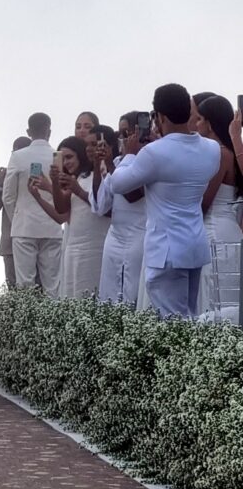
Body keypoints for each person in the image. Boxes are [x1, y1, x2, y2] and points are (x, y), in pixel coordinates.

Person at [101, 83, 220, 318]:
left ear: (160, 117)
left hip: (166, 251)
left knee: (171, 324)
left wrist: (129, 155)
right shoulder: (212, 149)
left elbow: (117, 184)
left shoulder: (154, 152)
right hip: (195, 245)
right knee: (190, 317)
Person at [31, 136, 110, 298]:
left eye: (69, 157)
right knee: (72, 295)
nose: (66, 162)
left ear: (80, 155)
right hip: (73, 247)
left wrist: (77, 190)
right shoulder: (74, 179)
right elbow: (62, 211)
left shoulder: (94, 176)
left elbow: (102, 206)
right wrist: (51, 184)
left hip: (94, 247)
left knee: (90, 295)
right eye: (63, 159)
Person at [2, 113, 62, 296]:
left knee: (25, 285)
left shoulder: (18, 156)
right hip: (52, 226)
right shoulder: (58, 156)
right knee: (53, 285)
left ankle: (27, 316)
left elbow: (8, 196)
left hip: (24, 226)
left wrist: (16, 217)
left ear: (29, 132)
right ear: (49, 131)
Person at [194, 95, 243, 315]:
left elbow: (205, 201)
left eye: (200, 119)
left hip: (215, 229)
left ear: (210, 123)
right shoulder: (225, 152)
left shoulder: (221, 153)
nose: (196, 124)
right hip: (226, 228)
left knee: (217, 294)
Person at [90, 126, 146, 305]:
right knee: (109, 293)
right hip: (114, 237)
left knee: (133, 291)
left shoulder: (147, 162)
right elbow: (101, 205)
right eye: (122, 136)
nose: (124, 140)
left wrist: (112, 165)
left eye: (127, 136)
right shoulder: (116, 162)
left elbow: (132, 195)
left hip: (138, 235)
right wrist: (98, 164)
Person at [0, 137, 30, 287]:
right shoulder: (7, 176)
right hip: (10, 244)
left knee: (36, 290)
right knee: (14, 291)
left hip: (34, 239)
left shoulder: (37, 172)